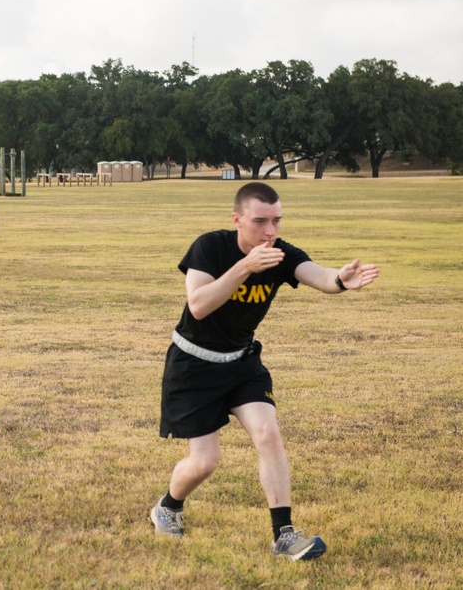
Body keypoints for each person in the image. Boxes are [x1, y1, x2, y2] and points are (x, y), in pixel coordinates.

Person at [150, 182, 379, 560]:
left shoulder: (280, 253)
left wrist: (339, 280)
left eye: (276, 221)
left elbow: (318, 275)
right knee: (205, 462)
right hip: (193, 365)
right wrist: (245, 266)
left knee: (268, 432)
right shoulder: (210, 247)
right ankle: (169, 506)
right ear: (237, 219)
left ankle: (283, 536)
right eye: (260, 221)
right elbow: (199, 305)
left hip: (242, 362)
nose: (270, 232)